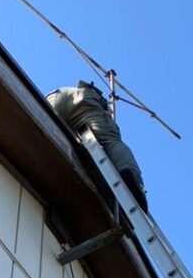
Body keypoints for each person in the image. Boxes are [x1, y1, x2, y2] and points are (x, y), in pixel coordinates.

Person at [47, 81, 148, 212]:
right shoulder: (96, 106)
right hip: (82, 99)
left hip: (52, 97)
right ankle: (134, 180)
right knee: (110, 140)